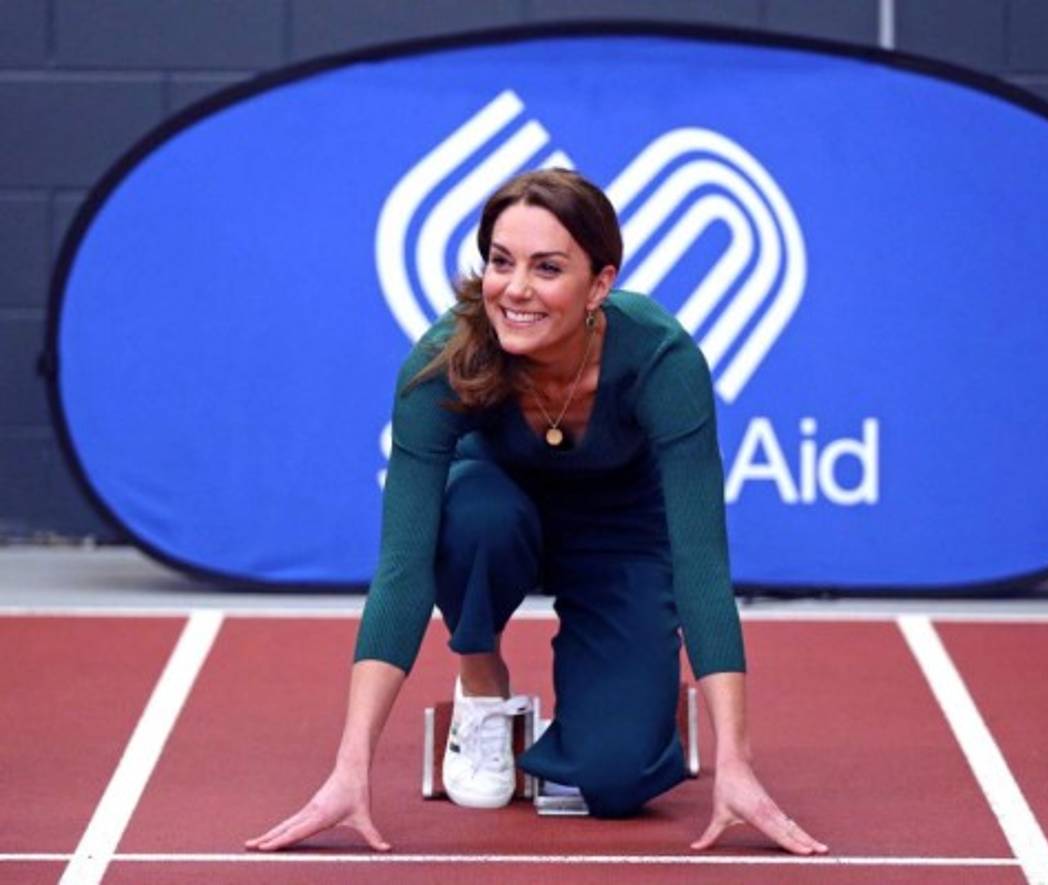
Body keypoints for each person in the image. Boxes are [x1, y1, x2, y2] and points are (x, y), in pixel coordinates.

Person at [246, 169, 828, 856]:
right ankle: (482, 683)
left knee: (615, 780)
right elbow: (402, 566)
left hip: (619, 531)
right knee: (473, 518)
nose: (515, 288)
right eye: (501, 261)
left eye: (547, 268)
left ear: (601, 282)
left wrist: (737, 761)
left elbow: (701, 563)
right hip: (497, 507)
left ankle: (636, 702)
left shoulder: (662, 360)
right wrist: (351, 766)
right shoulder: (443, 362)